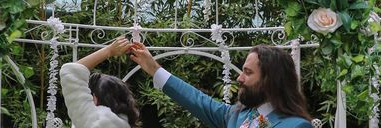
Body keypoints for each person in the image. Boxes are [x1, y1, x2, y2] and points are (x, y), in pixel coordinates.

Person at [130, 42, 313, 128]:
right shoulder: (237, 115)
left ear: (270, 80)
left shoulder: (296, 126)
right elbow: (198, 101)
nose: (239, 78)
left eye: (248, 73)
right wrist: (154, 69)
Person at [60, 36, 139, 128]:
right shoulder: (124, 124)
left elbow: (71, 71)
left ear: (95, 99)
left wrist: (109, 50)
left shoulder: (94, 120)